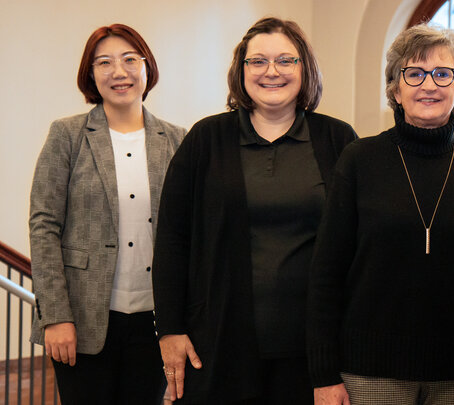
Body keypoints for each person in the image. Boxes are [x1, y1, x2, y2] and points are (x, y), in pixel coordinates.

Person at [151, 17, 357, 404]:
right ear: (240, 71)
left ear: (305, 69)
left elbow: (358, 244)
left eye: (286, 60)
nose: (271, 72)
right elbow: (172, 240)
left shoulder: (338, 139)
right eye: (257, 61)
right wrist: (170, 330)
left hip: (314, 353)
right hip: (217, 345)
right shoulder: (205, 139)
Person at [307, 24, 454, 405]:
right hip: (370, 372)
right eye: (414, 73)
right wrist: (323, 374)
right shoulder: (359, 160)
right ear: (395, 89)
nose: (429, 85)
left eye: (443, 73)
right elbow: (326, 272)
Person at [29, 24, 186, 404]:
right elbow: (44, 225)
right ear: (90, 74)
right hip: (81, 321)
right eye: (105, 62)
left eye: (130, 59)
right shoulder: (67, 135)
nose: (119, 72)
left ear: (147, 69)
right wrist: (55, 316)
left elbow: (186, 235)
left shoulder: (178, 140)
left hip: (154, 321)